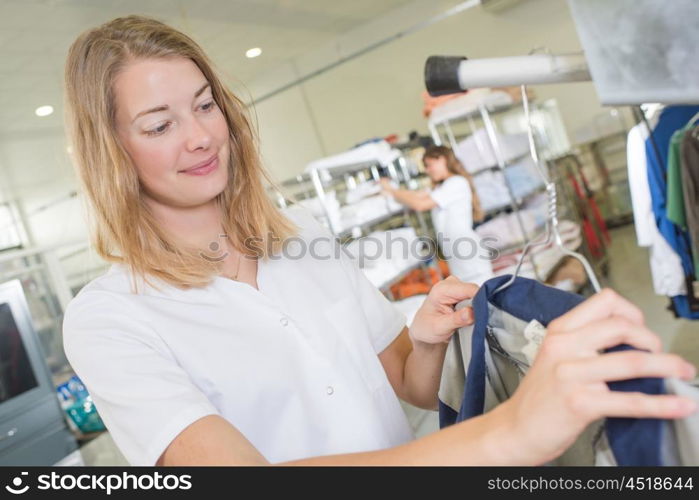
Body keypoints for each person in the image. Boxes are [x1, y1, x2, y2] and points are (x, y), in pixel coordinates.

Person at [61, 15, 696, 466]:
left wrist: (424, 341)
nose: (199, 136)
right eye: (159, 124)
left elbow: (411, 384)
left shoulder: (299, 233)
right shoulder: (111, 319)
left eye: (204, 105)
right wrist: (509, 433)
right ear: (112, 152)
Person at [380, 146, 493, 285]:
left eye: (429, 165)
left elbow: (419, 205)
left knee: (483, 295)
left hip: (468, 252)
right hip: (457, 253)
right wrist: (391, 190)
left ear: (442, 159)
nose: (427, 171)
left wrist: (391, 190)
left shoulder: (456, 182)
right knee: (471, 296)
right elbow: (415, 196)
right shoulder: (440, 187)